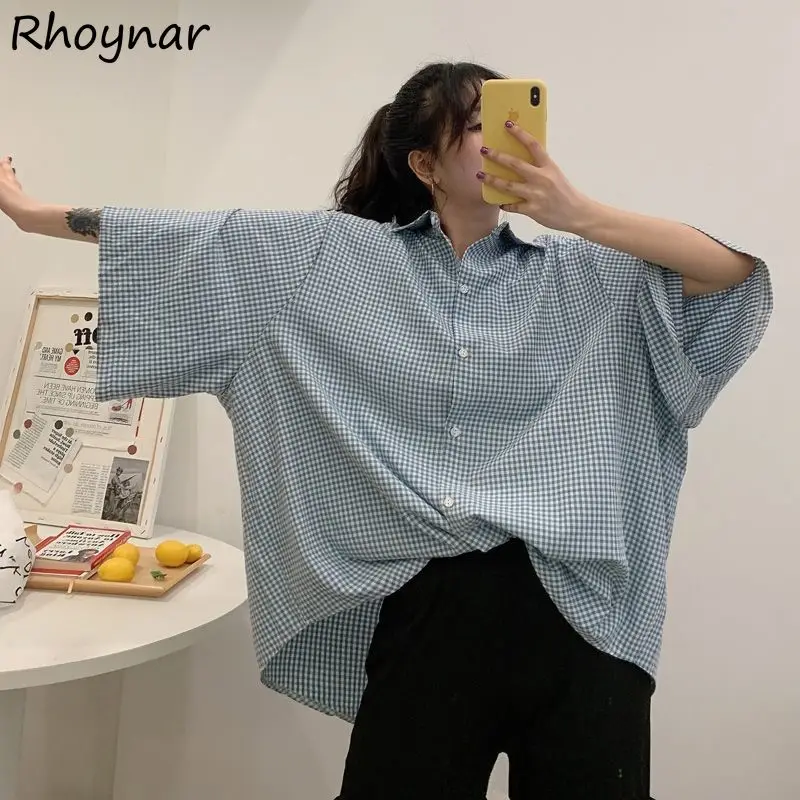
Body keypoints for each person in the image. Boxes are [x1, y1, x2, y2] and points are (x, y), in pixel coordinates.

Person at [0, 61, 772, 799]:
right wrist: (34, 216)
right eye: (479, 125)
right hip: (431, 612)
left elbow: (730, 275)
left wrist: (575, 213)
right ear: (424, 164)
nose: (505, 138)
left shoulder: (586, 270)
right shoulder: (332, 261)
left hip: (584, 618)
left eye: (512, 119)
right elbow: (195, 242)